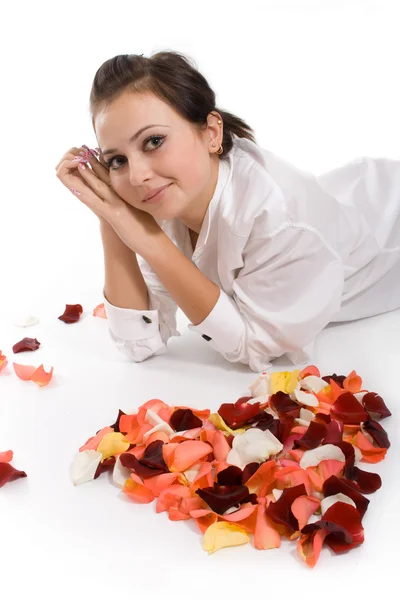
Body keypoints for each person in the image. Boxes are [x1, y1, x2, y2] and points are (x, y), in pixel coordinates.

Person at [55, 51, 400, 373]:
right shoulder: (164, 200)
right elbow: (137, 343)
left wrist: (148, 241)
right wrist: (110, 218)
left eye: (154, 141)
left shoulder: (275, 219)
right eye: (117, 160)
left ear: (211, 132)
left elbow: (255, 348)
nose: (137, 175)